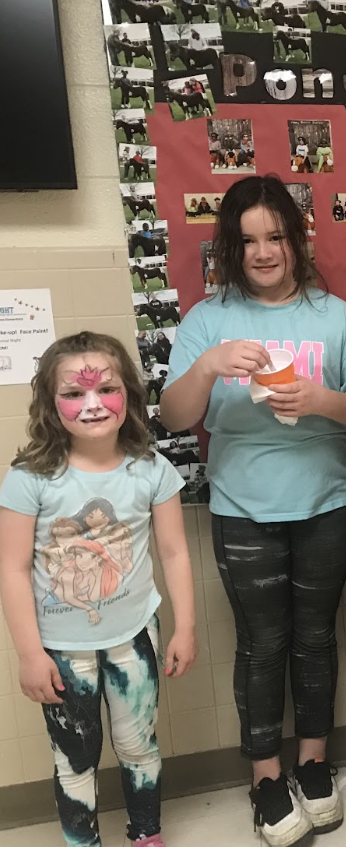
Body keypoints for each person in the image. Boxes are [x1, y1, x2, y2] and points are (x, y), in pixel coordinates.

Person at [158, 176, 346, 846]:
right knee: (262, 645)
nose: (263, 253)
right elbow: (173, 417)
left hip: (327, 502)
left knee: (315, 638)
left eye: (276, 237)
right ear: (230, 249)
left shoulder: (334, 316)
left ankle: (314, 766)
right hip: (242, 508)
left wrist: (321, 401)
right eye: (249, 241)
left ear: (297, 241)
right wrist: (208, 366)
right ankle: (265, 778)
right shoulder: (208, 320)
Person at [0, 332, 198, 847]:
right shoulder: (30, 479)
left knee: (138, 746)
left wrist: (186, 627)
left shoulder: (151, 469)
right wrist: (29, 654)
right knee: (75, 758)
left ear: (129, 393)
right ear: (50, 403)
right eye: (73, 393)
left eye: (106, 389)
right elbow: (12, 569)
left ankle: (146, 835)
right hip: (62, 650)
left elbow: (174, 552)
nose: (92, 404)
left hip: (135, 639)